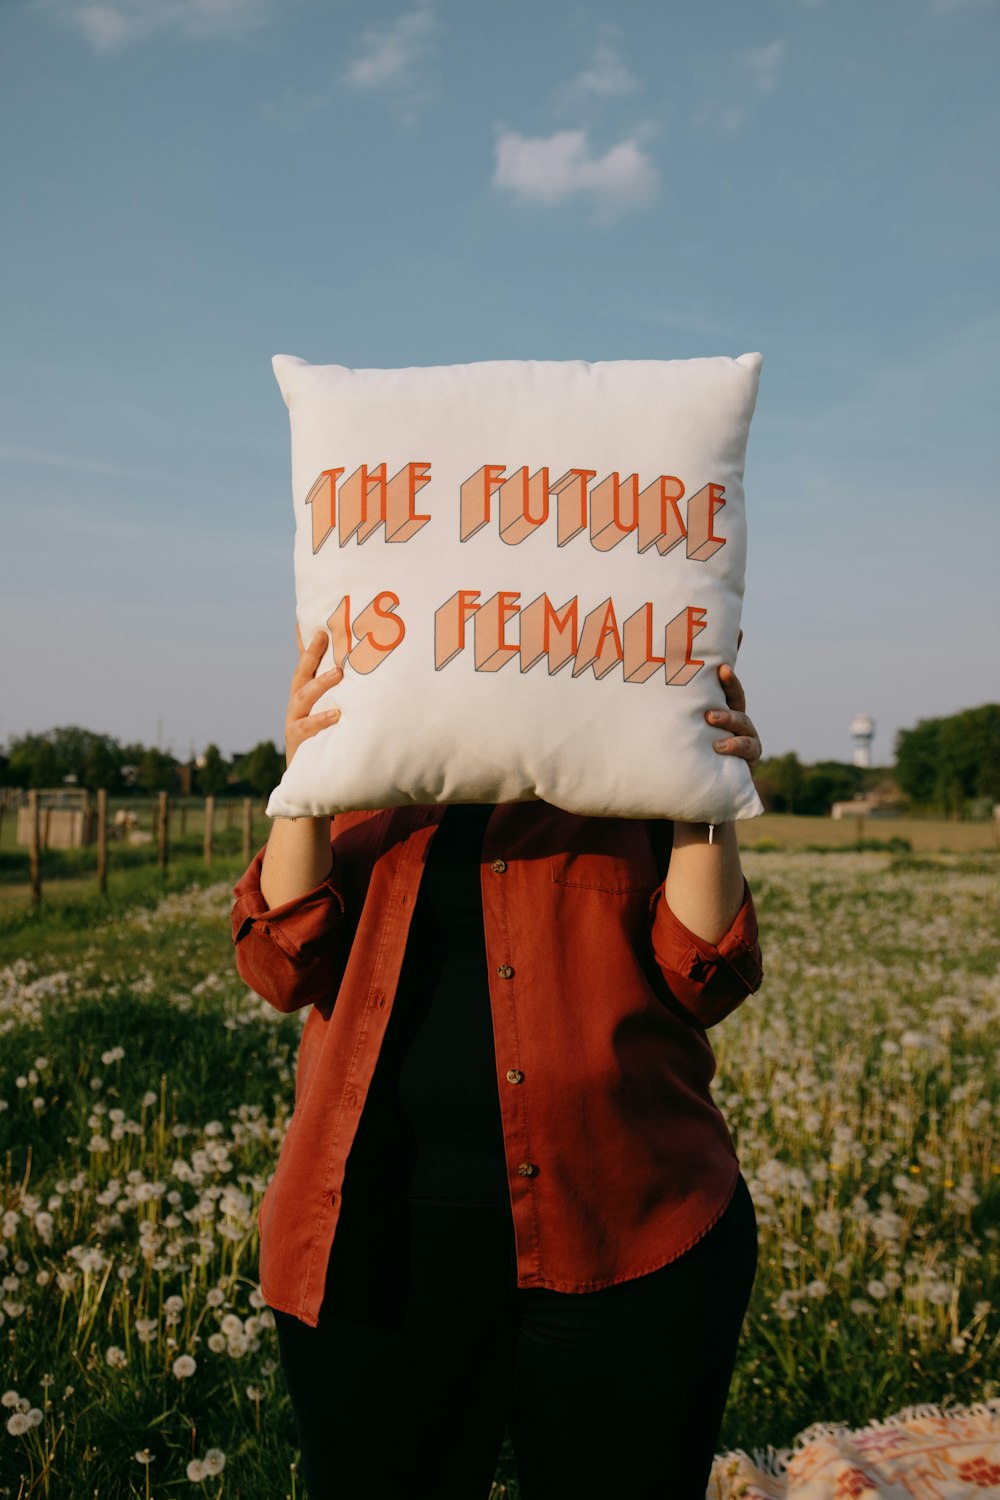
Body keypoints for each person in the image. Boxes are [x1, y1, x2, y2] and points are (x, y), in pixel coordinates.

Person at [231, 626, 764, 1500]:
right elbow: (277, 967)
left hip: (631, 1233)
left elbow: (708, 977)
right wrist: (306, 778)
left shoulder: (624, 764)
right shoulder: (371, 767)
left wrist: (706, 788)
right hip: (377, 1246)